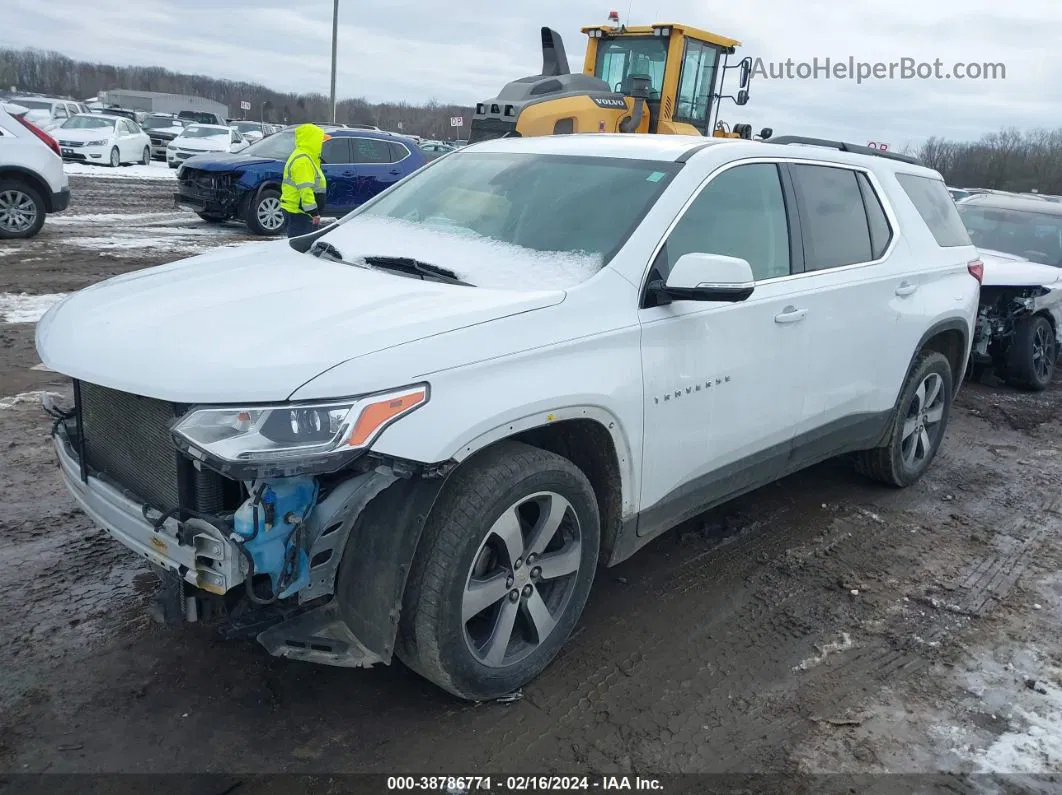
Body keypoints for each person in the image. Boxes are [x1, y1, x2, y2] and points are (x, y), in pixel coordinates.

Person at [280, 124, 330, 237]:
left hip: (299, 211)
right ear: (313, 141)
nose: (322, 144)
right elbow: (305, 189)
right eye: (320, 141)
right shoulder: (303, 161)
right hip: (299, 213)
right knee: (299, 249)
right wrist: (314, 213)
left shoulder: (306, 157)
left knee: (299, 246)